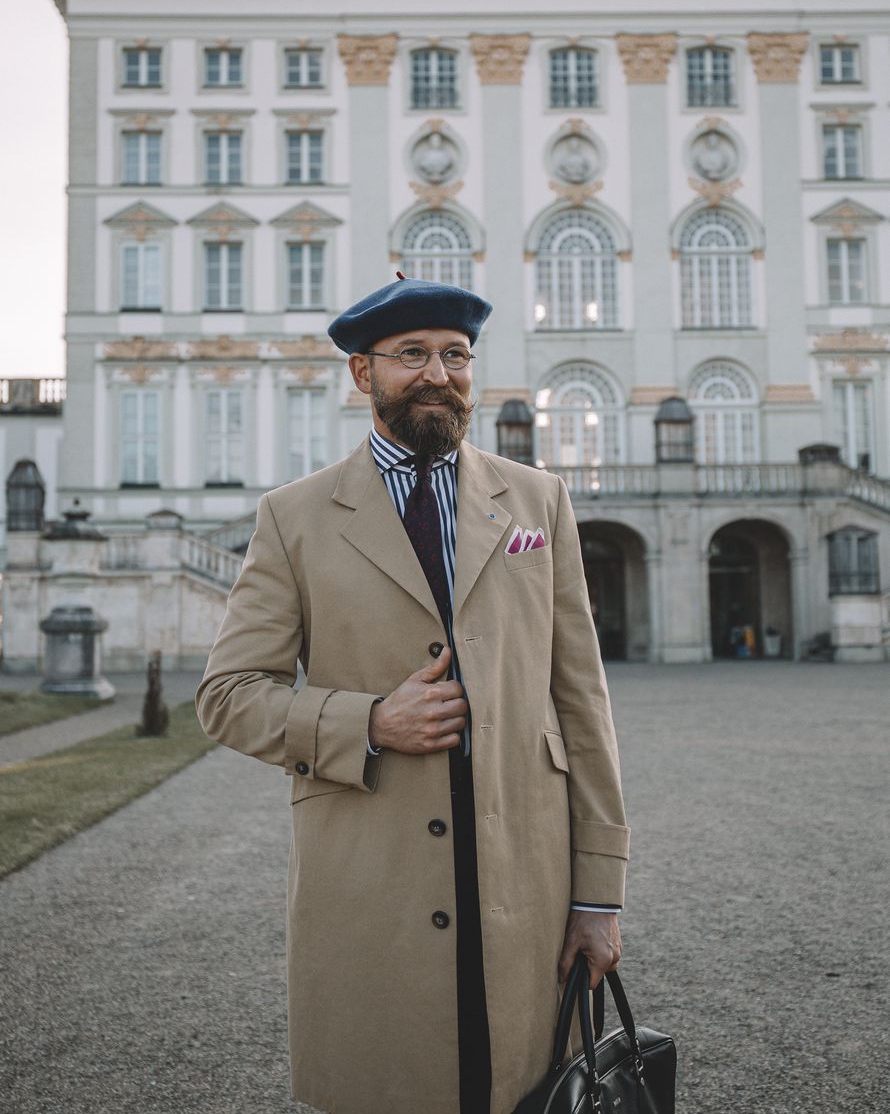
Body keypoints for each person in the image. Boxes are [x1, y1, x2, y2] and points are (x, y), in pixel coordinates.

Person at [196, 276, 630, 1114]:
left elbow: (583, 703)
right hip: (370, 886)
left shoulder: (538, 501)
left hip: (527, 883)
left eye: (456, 355)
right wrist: (369, 721)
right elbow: (227, 696)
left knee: (526, 1089)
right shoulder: (295, 517)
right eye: (412, 356)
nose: (439, 373)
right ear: (363, 375)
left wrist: (599, 896)